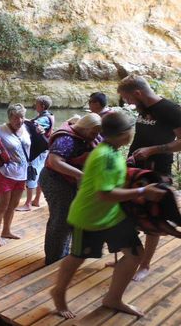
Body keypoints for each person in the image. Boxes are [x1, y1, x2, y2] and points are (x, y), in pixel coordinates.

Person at [51, 111, 165, 319]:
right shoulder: (103, 156)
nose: (133, 132)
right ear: (124, 134)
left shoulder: (113, 149)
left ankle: (113, 298)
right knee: (78, 257)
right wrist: (142, 192)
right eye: (132, 129)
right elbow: (105, 194)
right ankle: (58, 292)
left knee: (135, 254)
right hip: (89, 217)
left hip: (112, 214)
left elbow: (115, 182)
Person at [117, 75, 181, 281]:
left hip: (157, 169)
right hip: (134, 167)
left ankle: (145, 265)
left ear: (138, 93)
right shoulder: (143, 108)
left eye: (128, 99)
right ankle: (131, 255)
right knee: (127, 211)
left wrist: (153, 150)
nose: (128, 103)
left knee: (153, 217)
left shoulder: (170, 110)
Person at [39, 113, 102, 265]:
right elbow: (54, 162)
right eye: (94, 133)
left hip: (70, 181)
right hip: (55, 180)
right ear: (86, 129)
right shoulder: (66, 139)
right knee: (61, 219)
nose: (95, 136)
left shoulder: (87, 136)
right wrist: (79, 175)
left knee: (70, 218)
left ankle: (64, 254)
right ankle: (54, 259)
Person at [0, 103, 30, 246]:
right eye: (15, 118)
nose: (19, 121)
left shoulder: (25, 128)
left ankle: (6, 231)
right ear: (9, 118)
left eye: (21, 117)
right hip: (5, 173)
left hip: (22, 173)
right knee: (2, 205)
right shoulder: (0, 130)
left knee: (13, 205)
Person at [18, 95, 54, 211]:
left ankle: (28, 203)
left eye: (36, 104)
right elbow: (34, 122)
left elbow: (34, 126)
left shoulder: (43, 119)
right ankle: (37, 200)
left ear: (42, 106)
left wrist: (22, 121)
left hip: (38, 151)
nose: (35, 105)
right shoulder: (49, 115)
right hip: (44, 150)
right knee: (39, 174)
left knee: (31, 173)